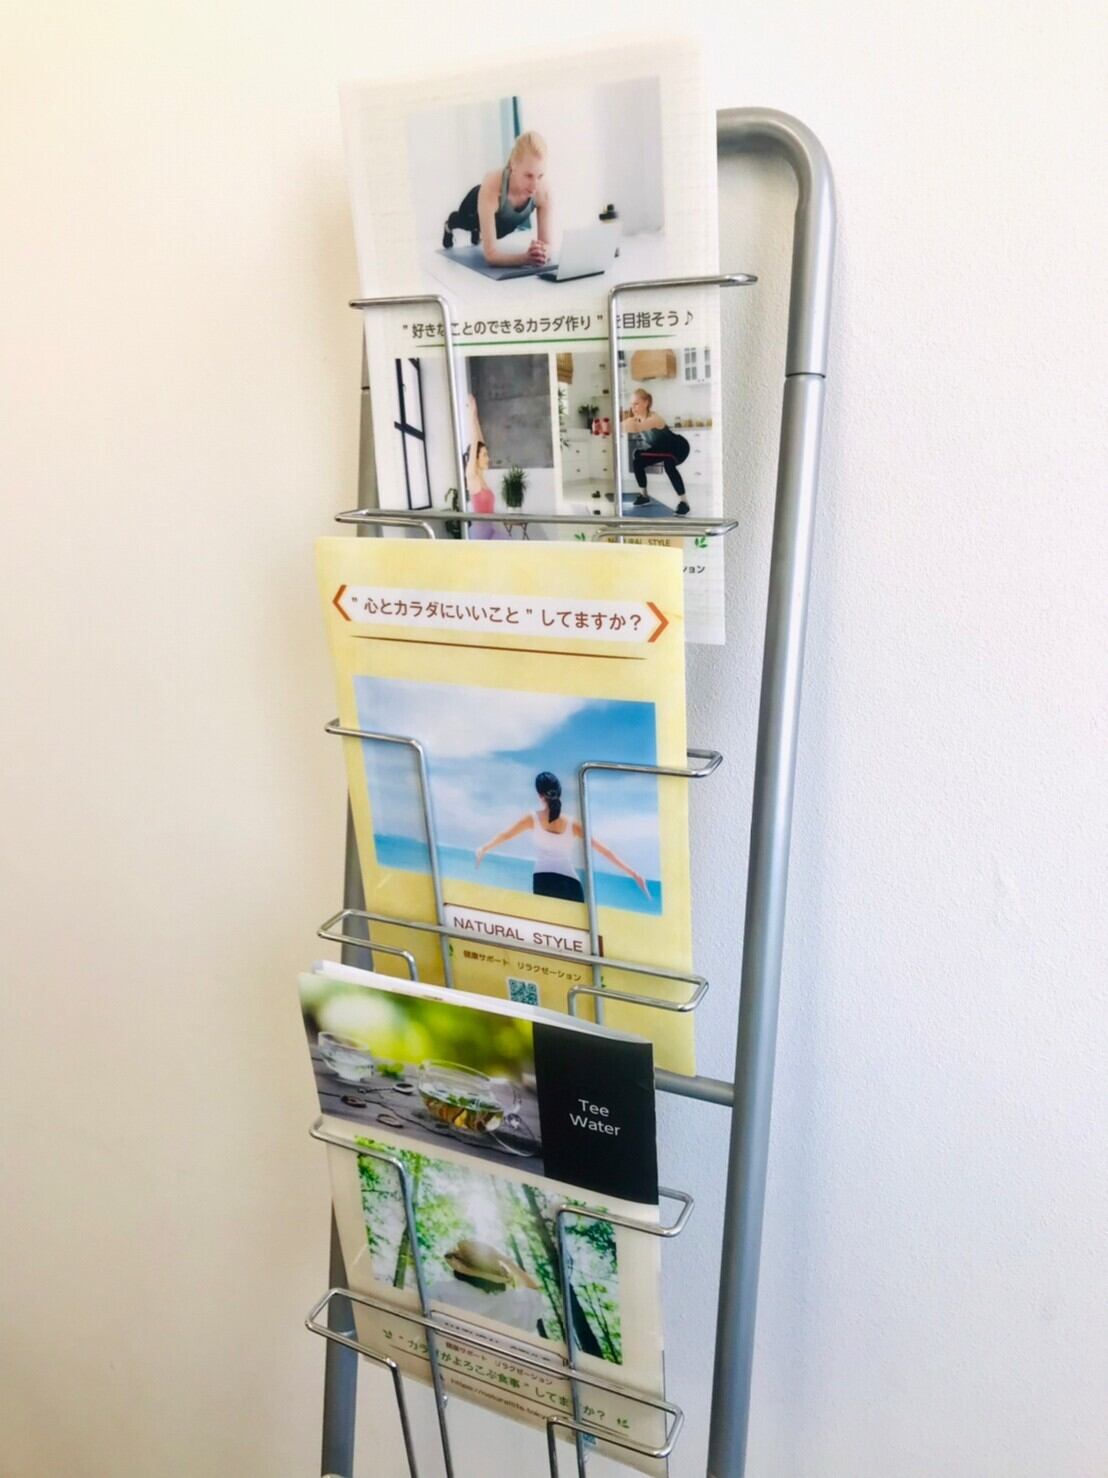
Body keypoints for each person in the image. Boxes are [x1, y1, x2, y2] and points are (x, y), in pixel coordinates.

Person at [474, 771, 650, 903]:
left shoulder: (532, 818)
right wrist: (634, 874)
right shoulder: (573, 824)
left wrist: (484, 848)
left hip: (543, 879)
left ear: (539, 795)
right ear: (559, 792)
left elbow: (505, 835)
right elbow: (604, 850)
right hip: (570, 884)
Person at [442, 131, 554, 269]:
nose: (535, 186)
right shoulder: (492, 185)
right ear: (513, 164)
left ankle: (479, 233)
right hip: (472, 209)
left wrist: (542, 253)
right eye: (528, 176)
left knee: (492, 231)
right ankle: (449, 225)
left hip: (501, 225)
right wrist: (526, 258)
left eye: (540, 176)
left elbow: (547, 245)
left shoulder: (543, 191)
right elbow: (491, 256)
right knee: (463, 222)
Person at [620, 388, 692, 515]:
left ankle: (684, 503)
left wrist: (616, 427)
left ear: (646, 402)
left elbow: (636, 427)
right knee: (638, 459)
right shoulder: (635, 419)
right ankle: (644, 496)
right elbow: (625, 425)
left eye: (636, 404)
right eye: (632, 404)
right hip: (661, 449)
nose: (633, 408)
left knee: (668, 464)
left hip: (678, 447)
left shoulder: (655, 418)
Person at [463, 392, 509, 539]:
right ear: (475, 459)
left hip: (491, 531)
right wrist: (470, 415)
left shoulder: (481, 476)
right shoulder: (472, 476)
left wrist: (475, 415)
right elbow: (474, 442)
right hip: (481, 534)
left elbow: (479, 441)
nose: (488, 458)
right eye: (484, 455)